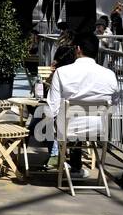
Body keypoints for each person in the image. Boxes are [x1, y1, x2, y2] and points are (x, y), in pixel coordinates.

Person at [44, 32, 117, 177]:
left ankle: (57, 160)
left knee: (48, 119)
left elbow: (52, 108)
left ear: (78, 49)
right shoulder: (110, 74)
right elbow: (114, 106)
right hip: (99, 129)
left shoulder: (62, 72)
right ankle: (76, 168)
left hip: (68, 129)